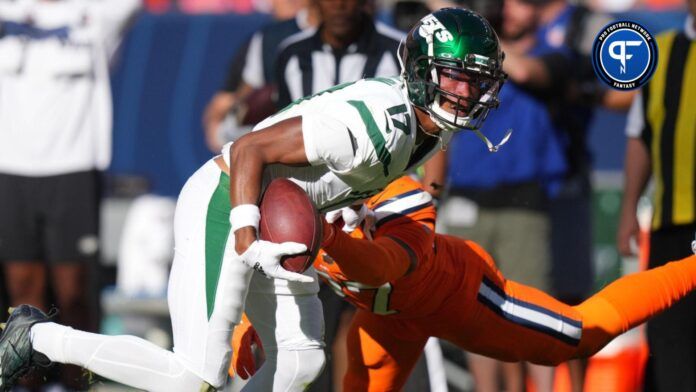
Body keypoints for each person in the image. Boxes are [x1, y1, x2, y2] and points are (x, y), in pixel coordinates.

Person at [0, 7, 507, 391]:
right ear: (422, 71)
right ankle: (39, 338)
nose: (469, 93)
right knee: (195, 378)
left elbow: (334, 178)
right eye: (458, 77)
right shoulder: (370, 124)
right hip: (227, 202)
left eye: (478, 81)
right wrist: (246, 234)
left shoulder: (430, 127)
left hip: (279, 216)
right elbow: (248, 149)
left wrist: (352, 207)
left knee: (302, 359)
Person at [230, 175, 696, 391]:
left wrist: (326, 234)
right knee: (362, 384)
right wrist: (251, 324)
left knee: (576, 334)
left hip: (459, 293)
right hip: (390, 314)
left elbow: (380, 269)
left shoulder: (403, 196)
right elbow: (265, 266)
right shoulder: (302, 192)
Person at [0, 0, 141, 389]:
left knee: (74, 292)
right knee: (22, 293)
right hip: (11, 169)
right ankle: (30, 383)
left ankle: (75, 384)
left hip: (74, 168)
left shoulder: (95, 13)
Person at [272, 0, 406, 388]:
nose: (342, 5)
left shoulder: (396, 51)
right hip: (305, 201)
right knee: (298, 314)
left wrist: (425, 195)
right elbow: (276, 133)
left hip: (372, 202)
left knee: (355, 315)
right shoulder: (293, 55)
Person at [617, 2, 696, 390]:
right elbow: (640, 136)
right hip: (672, 226)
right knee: (669, 340)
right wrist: (629, 209)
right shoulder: (658, 52)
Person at [202, 0, 320, 152]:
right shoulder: (268, 39)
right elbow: (225, 107)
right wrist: (227, 130)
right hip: (285, 146)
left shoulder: (357, 35)